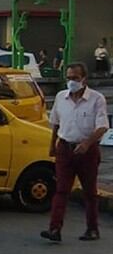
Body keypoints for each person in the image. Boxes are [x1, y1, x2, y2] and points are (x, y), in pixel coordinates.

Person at [41, 62, 110, 243]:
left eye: (75, 78)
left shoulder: (96, 99)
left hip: (87, 151)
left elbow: (102, 126)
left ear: (84, 79)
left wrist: (87, 144)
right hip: (65, 148)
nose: (71, 82)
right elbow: (55, 122)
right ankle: (54, 229)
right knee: (61, 189)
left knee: (89, 192)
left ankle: (92, 228)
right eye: (69, 78)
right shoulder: (60, 97)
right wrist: (52, 145)